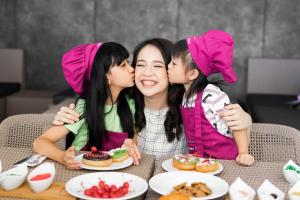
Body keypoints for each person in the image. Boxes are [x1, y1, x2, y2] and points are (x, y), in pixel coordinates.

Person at [53, 38, 252, 162]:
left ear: (173, 70)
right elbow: (93, 106)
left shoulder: (191, 103)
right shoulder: (122, 103)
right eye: (140, 64)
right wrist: (66, 114)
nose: (147, 73)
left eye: (157, 66)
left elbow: (226, 136)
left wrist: (247, 121)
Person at [33, 42, 140, 169]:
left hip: (115, 175)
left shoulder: (129, 103)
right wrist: (63, 157)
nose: (132, 68)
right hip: (81, 172)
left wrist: (130, 145)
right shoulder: (84, 107)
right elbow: (39, 143)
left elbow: (133, 137)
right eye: (123, 65)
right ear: (106, 77)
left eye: (128, 62)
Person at [167, 30, 254, 165]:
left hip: (226, 163)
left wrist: (243, 153)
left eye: (173, 63)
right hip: (201, 164)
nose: (168, 66)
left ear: (192, 74)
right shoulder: (185, 96)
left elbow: (237, 124)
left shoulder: (213, 96)